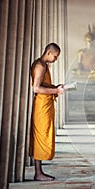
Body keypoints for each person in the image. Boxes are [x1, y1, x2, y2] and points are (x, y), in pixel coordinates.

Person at [30, 43, 65, 181]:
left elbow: (43, 85)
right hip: (41, 106)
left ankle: (39, 172)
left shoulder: (44, 65)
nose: (55, 59)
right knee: (40, 135)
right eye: (55, 56)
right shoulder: (39, 66)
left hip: (45, 104)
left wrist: (55, 87)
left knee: (43, 135)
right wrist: (56, 91)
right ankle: (38, 173)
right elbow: (36, 88)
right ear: (49, 53)